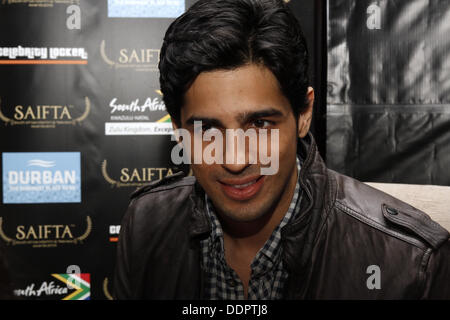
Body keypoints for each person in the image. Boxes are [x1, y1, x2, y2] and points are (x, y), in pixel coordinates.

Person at [113, 0, 450, 299]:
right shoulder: (145, 223)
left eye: (260, 125)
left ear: (303, 115)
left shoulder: (409, 263)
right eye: (207, 129)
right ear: (178, 131)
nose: (235, 159)